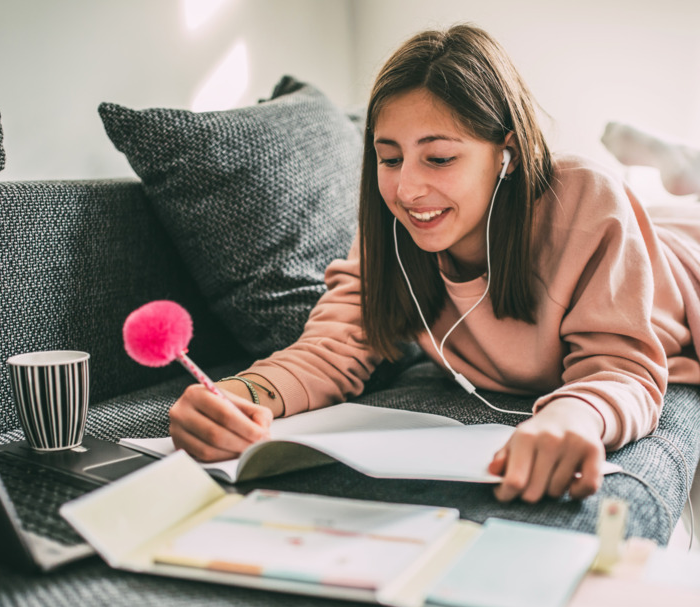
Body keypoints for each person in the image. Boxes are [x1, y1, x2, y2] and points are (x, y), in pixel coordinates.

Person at [168, 24, 700, 503]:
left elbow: (622, 366)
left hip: (683, 260)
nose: (406, 189)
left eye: (439, 157)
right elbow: (331, 349)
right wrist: (235, 396)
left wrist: (574, 416)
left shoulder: (585, 198)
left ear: (506, 154)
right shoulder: (396, 229)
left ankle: (682, 171)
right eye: (390, 157)